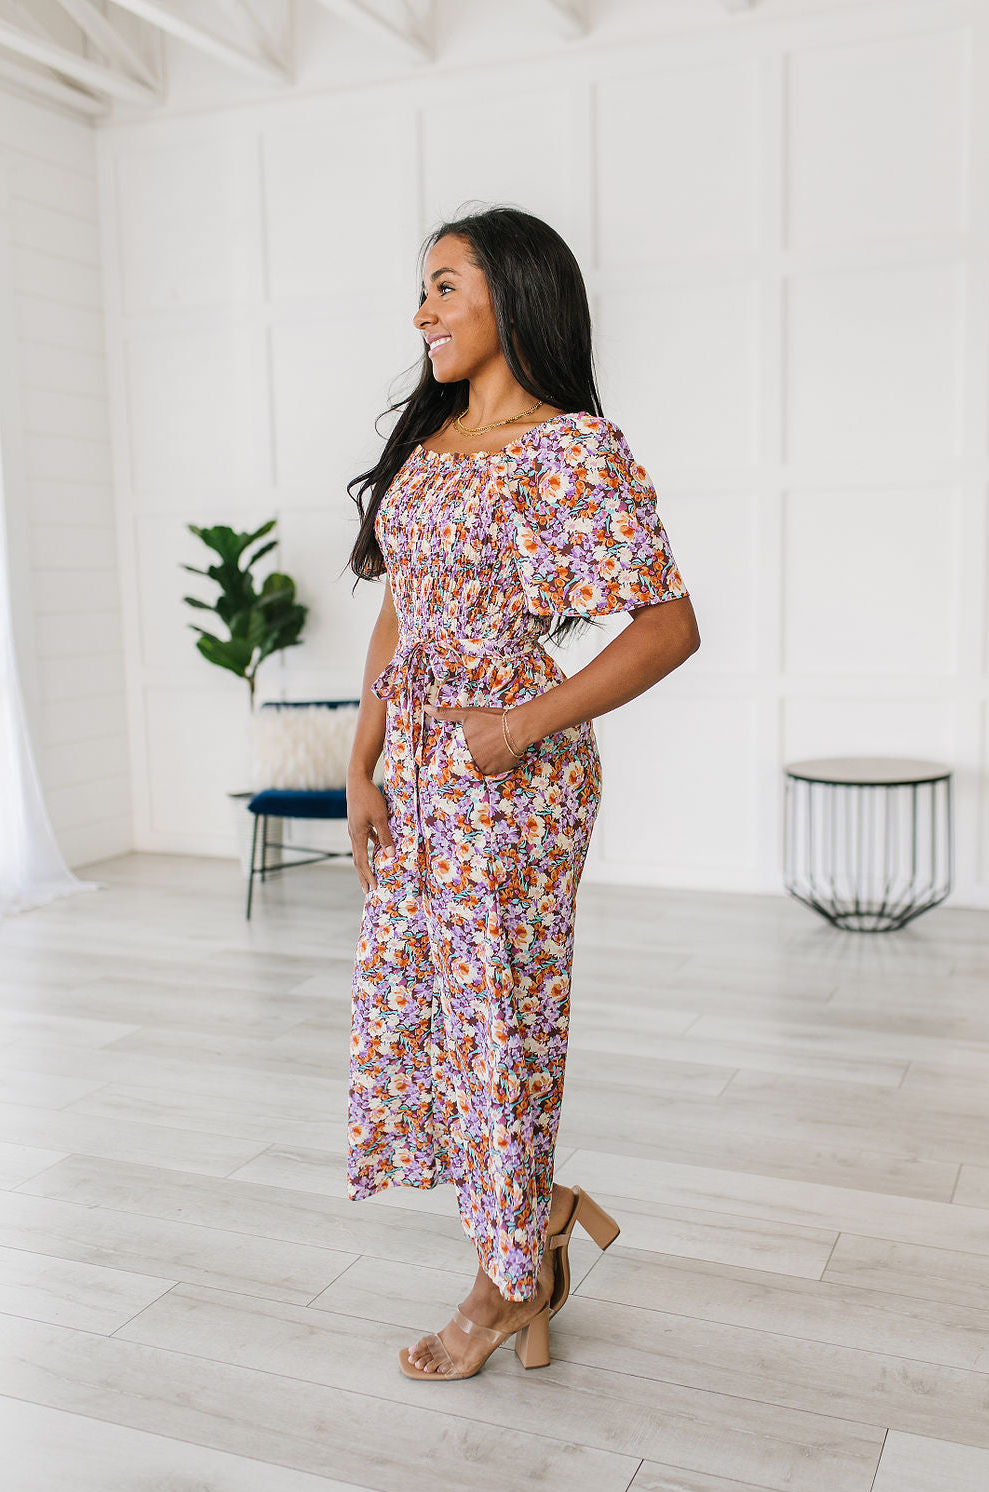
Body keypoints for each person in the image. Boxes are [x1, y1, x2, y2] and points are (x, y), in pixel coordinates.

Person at [343, 206, 700, 1381]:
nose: (422, 312)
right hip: (421, 775)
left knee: (504, 1028)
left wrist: (517, 730)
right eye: (423, 289)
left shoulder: (572, 451)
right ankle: (527, 1220)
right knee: (437, 1016)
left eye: (445, 287)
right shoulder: (437, 438)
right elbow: (404, 603)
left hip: (516, 782)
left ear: (514, 296)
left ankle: (504, 1285)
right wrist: (365, 755)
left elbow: (667, 627)